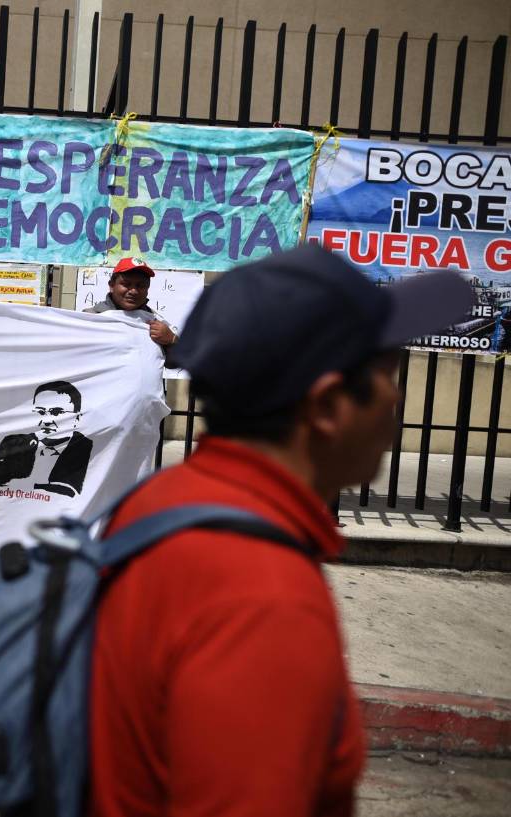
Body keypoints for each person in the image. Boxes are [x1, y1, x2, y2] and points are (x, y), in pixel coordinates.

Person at [88, 244, 473, 817]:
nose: (396, 401)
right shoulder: (263, 600)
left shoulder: (161, 502)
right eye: (386, 374)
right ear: (326, 407)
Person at [0, 381, 93, 497]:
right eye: (40, 412)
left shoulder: (92, 448)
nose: (46, 420)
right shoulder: (15, 442)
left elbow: (71, 493)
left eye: (56, 412)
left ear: (77, 418)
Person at [85, 257, 177, 347]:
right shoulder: (89, 319)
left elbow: (183, 356)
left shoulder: (157, 322)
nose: (133, 291)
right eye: (126, 284)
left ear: (147, 289)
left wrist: (172, 340)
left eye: (140, 286)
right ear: (112, 286)